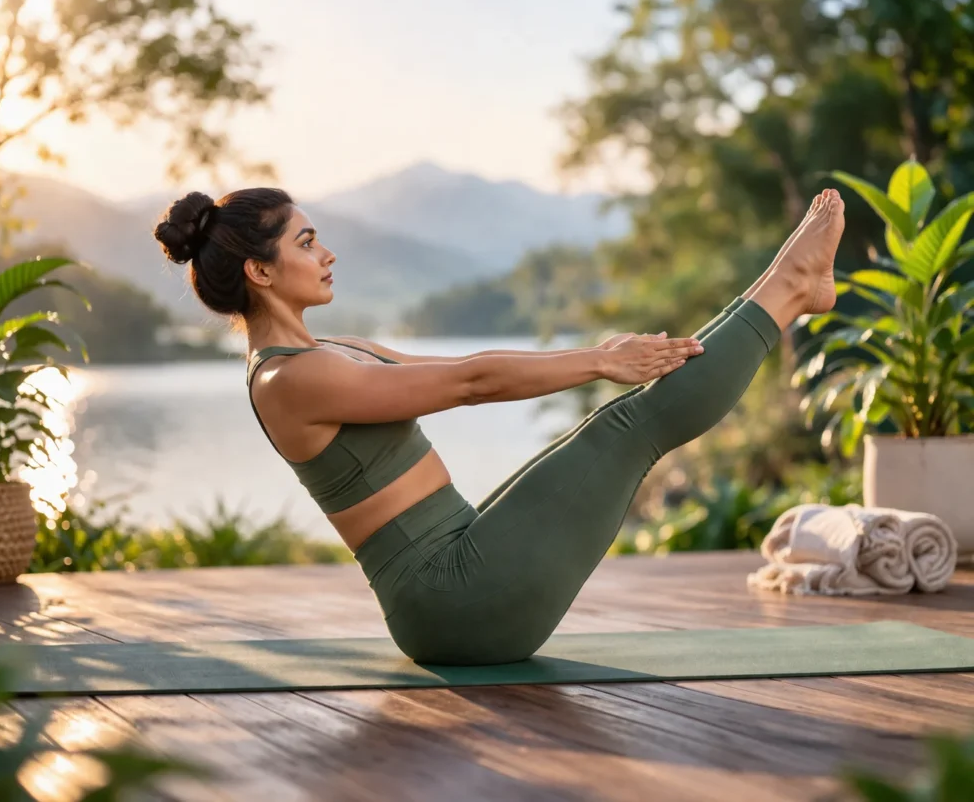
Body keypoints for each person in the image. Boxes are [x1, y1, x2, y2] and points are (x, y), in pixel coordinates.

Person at [154, 187, 845, 665]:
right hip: (451, 602)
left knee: (618, 419)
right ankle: (788, 284)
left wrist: (599, 357)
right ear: (259, 269)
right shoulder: (288, 378)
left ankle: (791, 287)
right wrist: (600, 360)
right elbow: (470, 384)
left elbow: (472, 364)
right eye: (307, 241)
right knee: (630, 427)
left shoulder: (338, 350)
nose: (327, 252)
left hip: (461, 560)